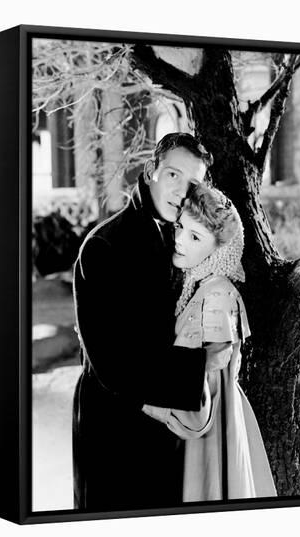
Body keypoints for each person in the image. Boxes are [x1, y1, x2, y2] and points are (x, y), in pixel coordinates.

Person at [72, 133, 216, 511]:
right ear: (151, 171)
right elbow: (113, 362)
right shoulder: (104, 246)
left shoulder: (180, 240)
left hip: (163, 424)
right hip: (113, 429)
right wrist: (202, 365)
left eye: (192, 183)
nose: (181, 190)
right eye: (173, 175)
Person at [142, 185, 277, 501]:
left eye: (195, 237)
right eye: (181, 228)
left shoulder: (215, 295)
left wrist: (146, 403)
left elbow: (205, 393)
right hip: (213, 422)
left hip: (208, 436)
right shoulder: (202, 286)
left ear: (219, 249)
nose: (179, 240)